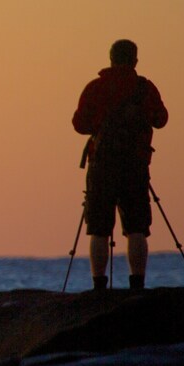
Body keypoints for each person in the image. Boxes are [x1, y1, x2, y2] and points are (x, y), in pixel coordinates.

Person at [72, 39, 168, 290]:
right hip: (135, 166)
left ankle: (99, 286)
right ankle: (137, 284)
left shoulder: (96, 88)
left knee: (99, 228)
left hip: (102, 166)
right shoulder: (144, 89)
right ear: (135, 60)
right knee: (137, 227)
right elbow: (161, 120)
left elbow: (79, 124)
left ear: (111, 59)